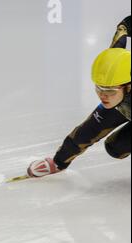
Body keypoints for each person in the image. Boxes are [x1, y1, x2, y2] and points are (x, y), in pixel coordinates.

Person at [27, 16, 131, 178]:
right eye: (99, 88)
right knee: (114, 148)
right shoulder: (116, 62)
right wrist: (58, 162)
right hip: (125, 104)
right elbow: (86, 133)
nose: (103, 95)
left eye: (110, 91)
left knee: (119, 145)